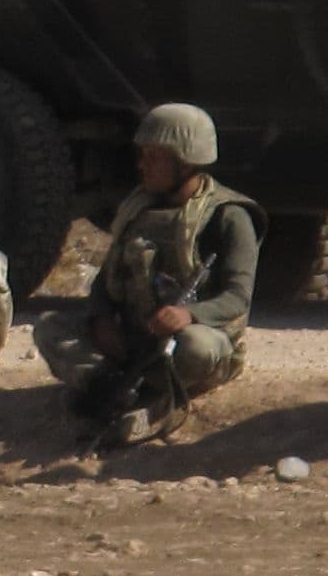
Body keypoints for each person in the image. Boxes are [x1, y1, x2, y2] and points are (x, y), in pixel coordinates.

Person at [33, 103, 263, 440]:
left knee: (198, 348)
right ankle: (106, 386)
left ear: (184, 160)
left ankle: (152, 393)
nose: (141, 165)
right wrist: (102, 318)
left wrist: (188, 315)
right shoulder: (137, 208)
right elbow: (108, 277)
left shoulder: (228, 217)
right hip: (132, 338)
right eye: (142, 155)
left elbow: (237, 298)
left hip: (184, 341)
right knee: (50, 328)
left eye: (153, 157)